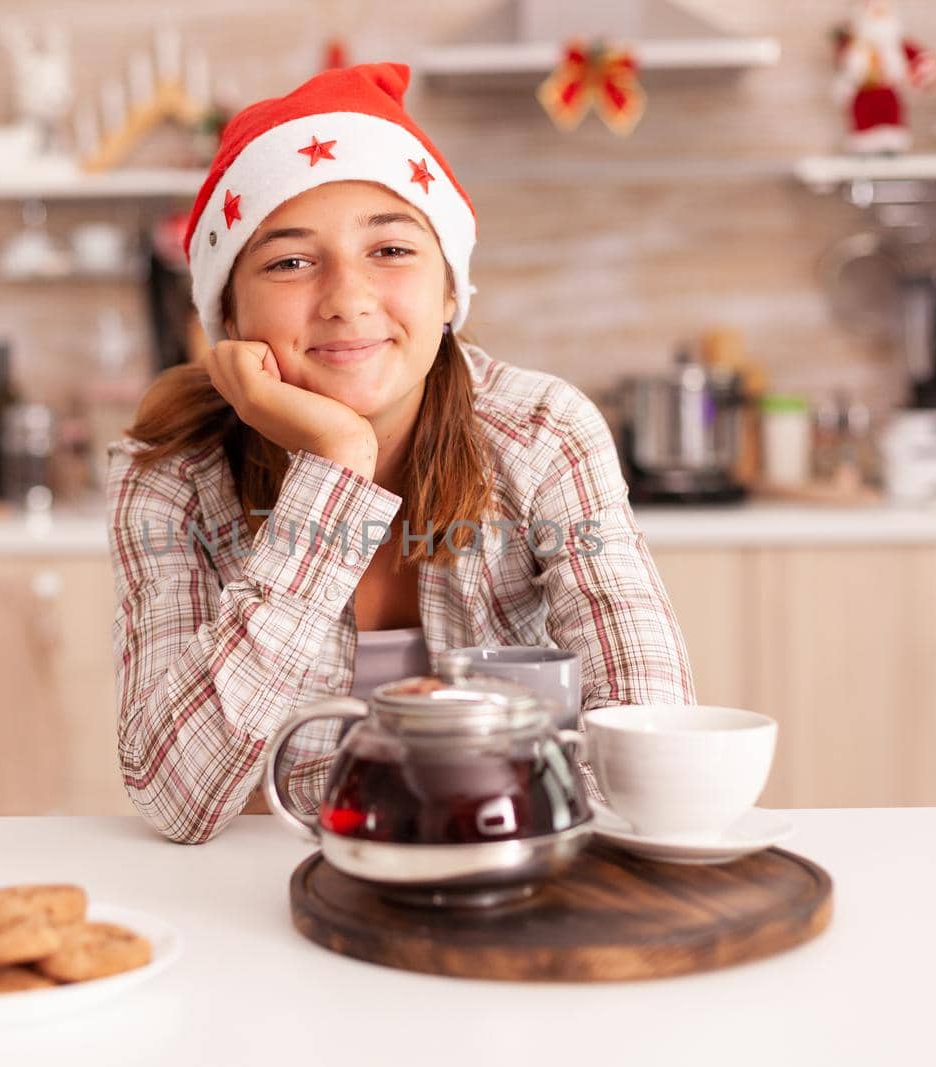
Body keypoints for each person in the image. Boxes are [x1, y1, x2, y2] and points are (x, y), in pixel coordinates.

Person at [106, 62, 694, 845]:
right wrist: (337, 468)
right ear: (229, 311)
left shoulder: (546, 433)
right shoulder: (172, 477)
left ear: (450, 290)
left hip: (501, 869)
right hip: (262, 894)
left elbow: (647, 739)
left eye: (390, 249)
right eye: (289, 260)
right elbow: (174, 796)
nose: (348, 297)